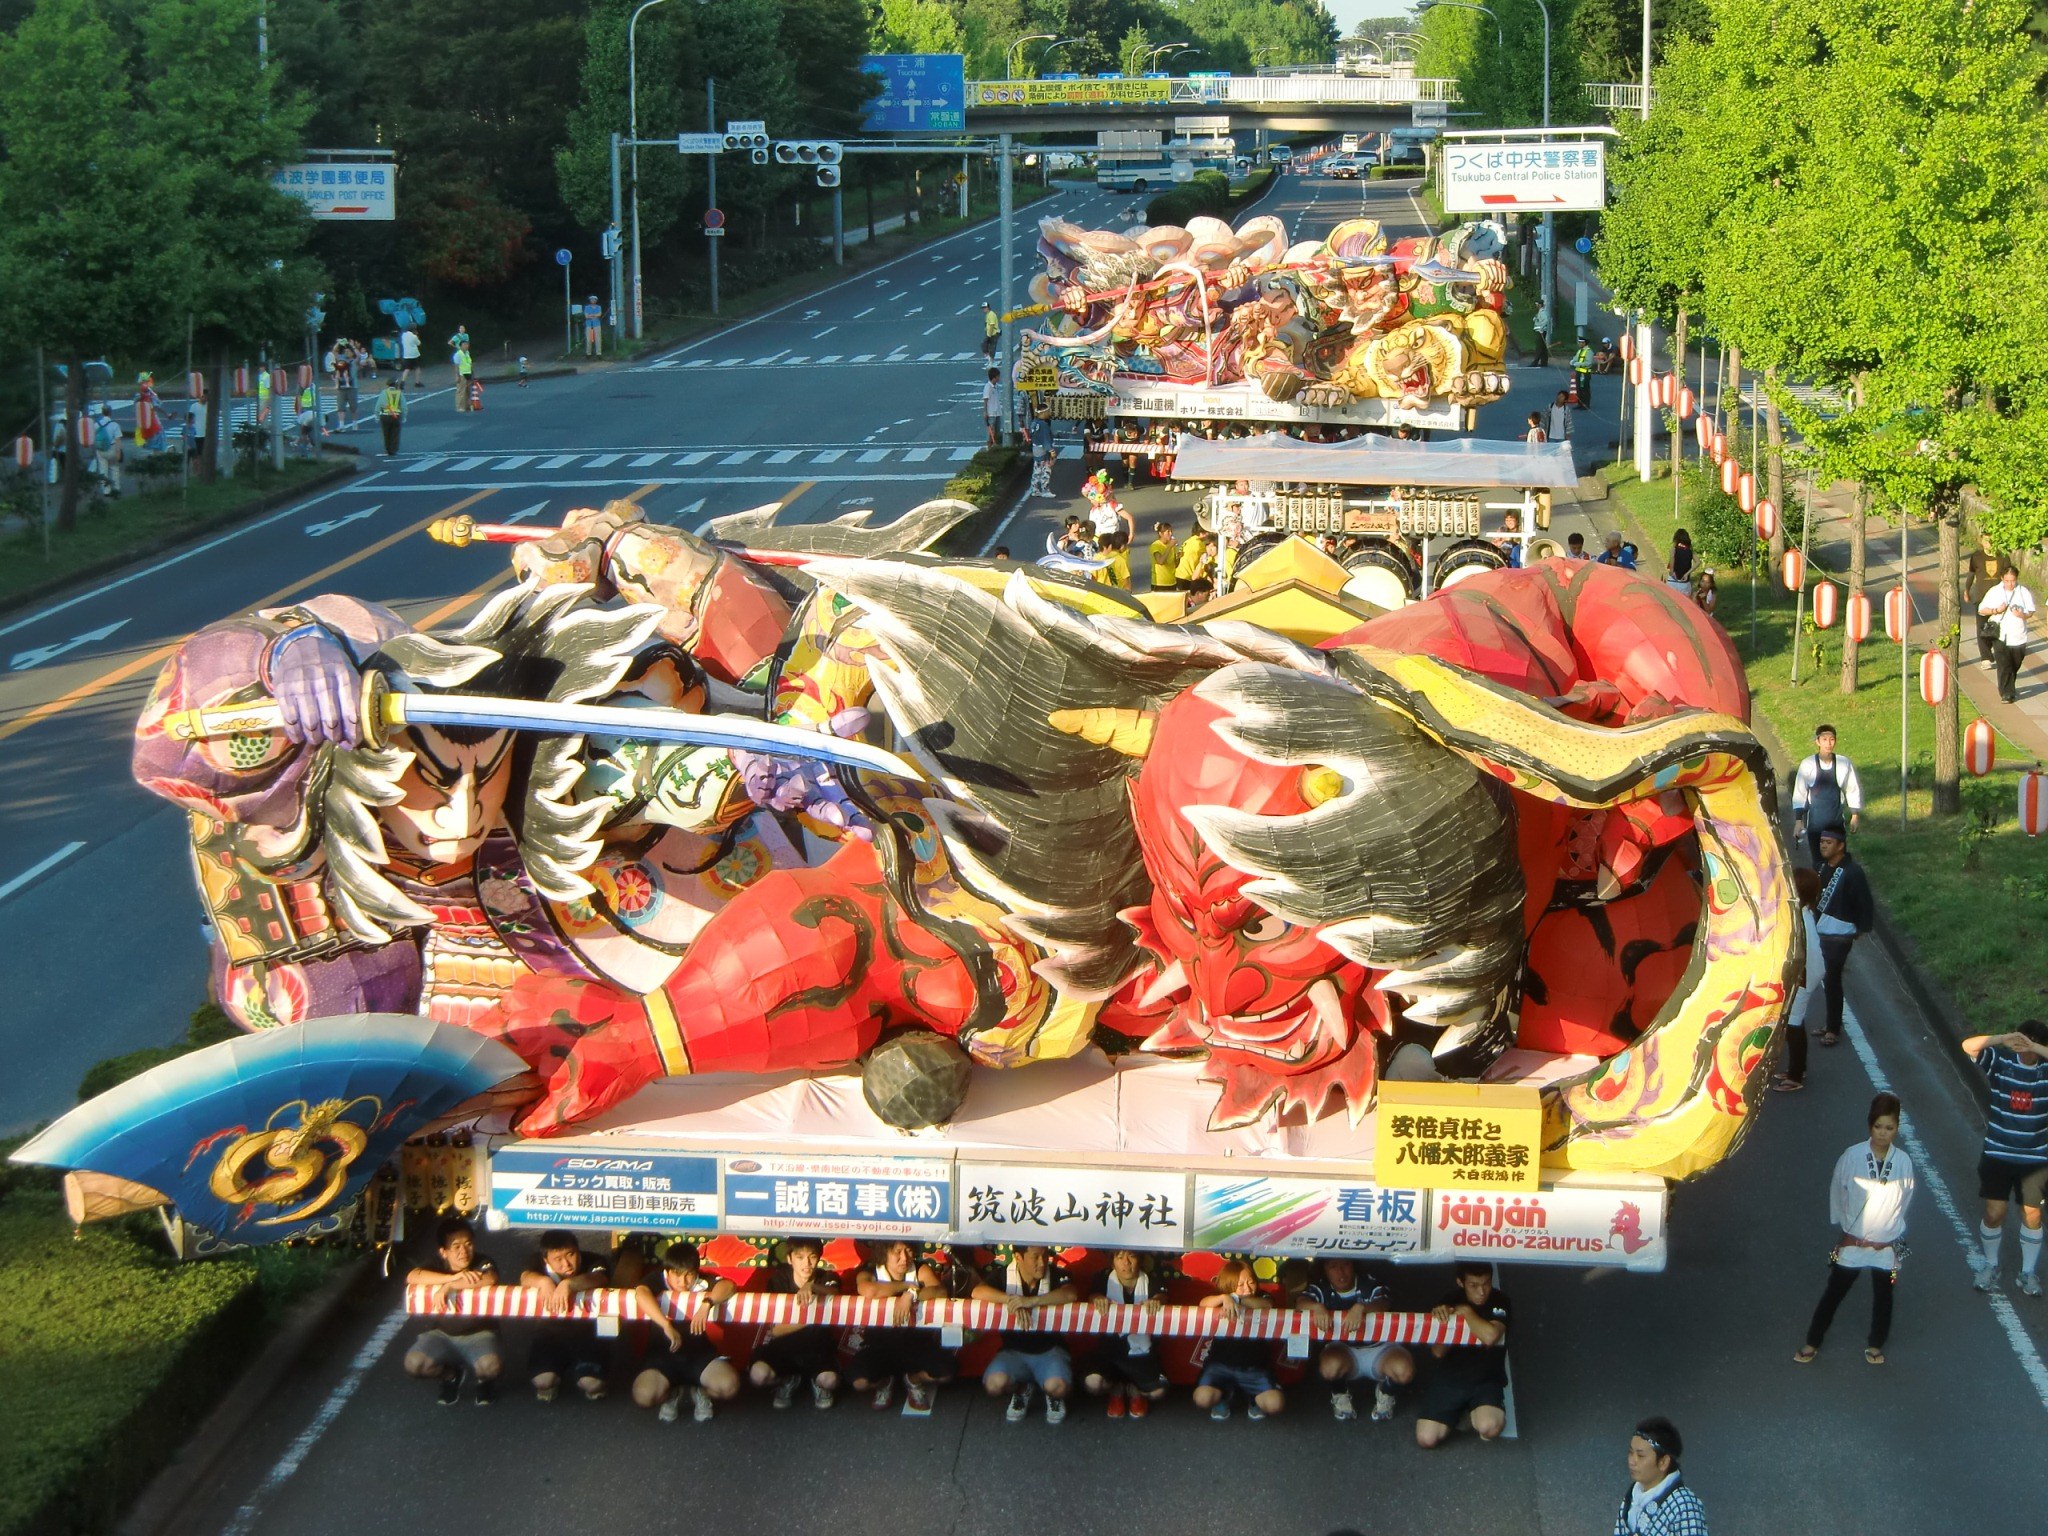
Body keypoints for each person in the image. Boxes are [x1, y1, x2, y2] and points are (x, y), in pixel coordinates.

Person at [1794, 1092, 1914, 1365]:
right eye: (1878, 1127)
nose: (1883, 1134)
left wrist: (1892, 1226)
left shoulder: (1904, 1161)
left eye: (1890, 1128)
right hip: (1854, 1240)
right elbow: (1838, 1189)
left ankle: (1876, 1343)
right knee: (1834, 1293)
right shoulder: (1853, 1155)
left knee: (1884, 1296)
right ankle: (1813, 1340)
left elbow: (1905, 1196)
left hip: (1886, 1242)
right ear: (1870, 1125)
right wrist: (1844, 1222)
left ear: (1897, 1127)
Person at [1963, 1021, 2048, 1295]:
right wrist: (2002, 1038)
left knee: (2033, 1215)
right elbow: (1968, 1046)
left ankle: (2028, 1273)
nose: (2027, 1047)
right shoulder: (2001, 1062)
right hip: (1998, 1154)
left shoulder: (2045, 1071)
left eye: (2034, 1042)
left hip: (2036, 1159)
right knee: (1994, 1212)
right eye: (2024, 1039)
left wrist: (2036, 1047)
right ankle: (1990, 1265)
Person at [630, 1240, 741, 1421]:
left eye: (689, 1275)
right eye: (677, 1275)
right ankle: (673, 1394)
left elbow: (729, 1285)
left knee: (729, 1387)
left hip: (699, 1355)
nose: (683, 1281)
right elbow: (641, 1293)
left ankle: (699, 1392)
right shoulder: (657, 1279)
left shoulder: (702, 1282)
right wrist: (666, 1325)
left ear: (696, 1272)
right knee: (643, 1397)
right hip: (662, 1355)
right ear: (667, 1271)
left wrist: (707, 1303)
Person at [973, 1244, 1079, 1424]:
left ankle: (1052, 1395)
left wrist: (1032, 1301)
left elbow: (1070, 1294)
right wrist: (1012, 1301)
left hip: (1050, 1350)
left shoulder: (1055, 1273)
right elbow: (977, 1291)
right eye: (1035, 1257)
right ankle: (1022, 1389)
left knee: (1058, 1387)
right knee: (993, 1385)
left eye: (1045, 1256)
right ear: (1018, 1257)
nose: (1042, 1262)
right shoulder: (1004, 1274)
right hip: (1013, 1350)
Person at [403, 1217, 503, 1405]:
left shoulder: (482, 1261)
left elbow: (489, 1278)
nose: (464, 1251)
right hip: (442, 1334)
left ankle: (484, 1381)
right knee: (414, 1364)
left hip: (480, 1333)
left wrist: (450, 1287)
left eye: (468, 1244)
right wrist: (451, 1278)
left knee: (491, 1367)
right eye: (456, 1246)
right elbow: (412, 1276)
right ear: (443, 1252)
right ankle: (451, 1376)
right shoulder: (437, 1264)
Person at [848, 1240, 956, 1413]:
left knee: (947, 1372)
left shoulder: (920, 1268)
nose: (904, 1258)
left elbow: (940, 1291)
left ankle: (913, 1379)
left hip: (916, 1345)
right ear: (884, 1253)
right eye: (897, 1252)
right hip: (879, 1346)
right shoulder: (870, 1270)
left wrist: (912, 1295)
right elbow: (869, 1290)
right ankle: (885, 1382)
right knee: (859, 1383)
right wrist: (906, 1286)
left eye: (908, 1251)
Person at [1415, 1262, 1509, 1448]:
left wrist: (1465, 1312)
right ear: (1460, 1282)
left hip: (1486, 1378)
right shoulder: (1447, 1300)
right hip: (1451, 1377)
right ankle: (1460, 1413)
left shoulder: (1500, 1300)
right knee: (1426, 1440)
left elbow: (1490, 1336)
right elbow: (1437, 1352)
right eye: (1474, 1285)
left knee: (1489, 1428)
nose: (1482, 1292)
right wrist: (1447, 1323)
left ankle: (1479, 1411)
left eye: (1486, 1284)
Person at [1295, 1257, 1399, 1421]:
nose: (1340, 1272)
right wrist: (1316, 1307)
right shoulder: (1321, 1287)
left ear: (1354, 1265)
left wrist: (1361, 1308)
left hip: (1378, 1347)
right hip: (1343, 1350)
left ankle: (1386, 1391)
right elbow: (1300, 1302)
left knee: (1404, 1371)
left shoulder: (1368, 1282)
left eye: (1346, 1264)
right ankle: (1339, 1391)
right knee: (1329, 1368)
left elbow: (1383, 1302)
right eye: (1333, 1266)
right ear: (1324, 1270)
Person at [748, 1236, 843, 1409]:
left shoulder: (826, 1277)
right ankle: (787, 1379)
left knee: (830, 1381)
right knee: (758, 1376)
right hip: (783, 1349)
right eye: (800, 1257)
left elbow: (834, 1292)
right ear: (790, 1259)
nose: (806, 1263)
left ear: (819, 1257)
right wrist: (812, 1319)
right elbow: (776, 1330)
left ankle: (818, 1383)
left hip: (818, 1350)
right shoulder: (778, 1280)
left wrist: (812, 1287)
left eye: (812, 1256)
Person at [520, 1230, 610, 1402]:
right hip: (549, 1333)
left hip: (588, 1335)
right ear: (546, 1260)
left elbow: (599, 1277)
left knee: (592, 1384)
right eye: (558, 1259)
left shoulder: (595, 1260)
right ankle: (554, 1377)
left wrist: (569, 1284)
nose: (566, 1264)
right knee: (543, 1382)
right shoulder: (535, 1261)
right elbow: (525, 1277)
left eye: (571, 1255)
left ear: (578, 1250)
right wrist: (543, 1281)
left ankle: (590, 1377)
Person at [1807, 824, 1873, 1049]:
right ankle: (1831, 1024)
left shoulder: (1852, 871)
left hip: (1840, 934)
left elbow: (1865, 902)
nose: (1823, 846)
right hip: (1822, 931)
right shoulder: (1822, 868)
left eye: (1828, 843)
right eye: (1822, 842)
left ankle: (1833, 1028)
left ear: (1841, 845)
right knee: (1828, 978)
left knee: (1832, 978)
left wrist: (1860, 928)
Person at [1081, 1249, 1169, 1418]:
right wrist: (1097, 1299)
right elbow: (1093, 1295)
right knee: (1092, 1383)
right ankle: (1116, 1389)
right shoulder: (1103, 1278)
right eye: (1119, 1257)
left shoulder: (1152, 1278)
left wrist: (1156, 1301)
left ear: (1141, 1260)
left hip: (1142, 1355)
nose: (1126, 1262)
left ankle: (1134, 1390)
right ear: (1112, 1261)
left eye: (1131, 1256)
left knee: (1159, 1392)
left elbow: (1161, 1295)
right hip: (1109, 1353)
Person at [1192, 1259, 1284, 1421]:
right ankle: (1224, 1397)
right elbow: (1202, 1304)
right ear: (1228, 1284)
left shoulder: (1261, 1296)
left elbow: (1266, 1305)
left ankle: (1253, 1399)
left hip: (1254, 1367)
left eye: (1251, 1282)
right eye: (1240, 1285)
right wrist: (1224, 1298)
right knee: (1201, 1398)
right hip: (1220, 1365)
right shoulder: (1222, 1298)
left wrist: (1237, 1299)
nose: (1247, 1288)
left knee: (1275, 1404)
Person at [1613, 1418, 1710, 1536]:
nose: (1632, 1461)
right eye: (1630, 1453)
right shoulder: (1631, 1498)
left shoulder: (1684, 1506)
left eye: (1640, 1455)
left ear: (1663, 1462)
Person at [1792, 725, 1863, 863]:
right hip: (1816, 825)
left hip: (1836, 824)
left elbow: (1852, 788)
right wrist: (1798, 821)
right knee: (1819, 864)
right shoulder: (1808, 764)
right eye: (1824, 739)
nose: (1828, 743)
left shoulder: (1843, 763)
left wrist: (1855, 815)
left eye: (1831, 739)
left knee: (1838, 862)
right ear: (1817, 742)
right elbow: (1800, 793)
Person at [1977, 567, 2036, 705]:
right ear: (2002, 578)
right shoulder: (1995, 592)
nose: (2010, 584)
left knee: (2015, 663)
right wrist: (1997, 610)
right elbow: (1982, 609)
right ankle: (2006, 693)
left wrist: (2022, 615)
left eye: (2013, 581)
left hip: (2018, 635)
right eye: (2007, 581)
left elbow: (2031, 610)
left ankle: (2009, 687)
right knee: (2004, 665)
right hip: (2000, 635)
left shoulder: (2023, 592)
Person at [1966, 535, 2009, 669]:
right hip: (1981, 598)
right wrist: (1966, 590)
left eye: (1991, 540)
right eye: (1985, 540)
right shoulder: (1976, 557)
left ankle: (1997, 651)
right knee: (1982, 628)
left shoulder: (2003, 556)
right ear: (1981, 541)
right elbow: (1971, 574)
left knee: (1998, 628)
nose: (1988, 543)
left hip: (1999, 599)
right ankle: (1985, 657)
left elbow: (2009, 576)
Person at [1025, 392, 1056, 496]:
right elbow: (1046, 440)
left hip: (1035, 449)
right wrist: (1052, 451)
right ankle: (1045, 490)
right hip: (1043, 449)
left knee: (1037, 470)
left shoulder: (1034, 422)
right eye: (1048, 411)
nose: (1049, 413)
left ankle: (1034, 490)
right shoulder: (1043, 425)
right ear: (1043, 413)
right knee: (1046, 470)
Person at [1148, 521, 1179, 593]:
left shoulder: (1172, 545)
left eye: (1171, 531)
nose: (1171, 534)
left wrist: (1179, 557)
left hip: (1172, 582)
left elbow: (1175, 565)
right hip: (1160, 583)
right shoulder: (1155, 545)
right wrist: (1169, 547)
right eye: (1168, 532)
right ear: (1161, 533)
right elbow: (1160, 561)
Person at [377, 379, 406, 456]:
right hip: (396, 416)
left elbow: (378, 405)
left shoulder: (384, 393)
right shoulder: (399, 393)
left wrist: (377, 416)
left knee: (386, 434)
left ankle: (387, 449)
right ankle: (393, 450)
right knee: (395, 434)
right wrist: (404, 417)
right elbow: (403, 407)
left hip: (385, 415)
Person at [1667, 529, 1695, 594]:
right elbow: (1698, 562)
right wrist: (1687, 573)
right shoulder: (1689, 550)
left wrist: (1672, 572)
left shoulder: (1674, 549)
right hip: (1684, 582)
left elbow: (1672, 559)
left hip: (1672, 581)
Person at [1571, 335, 1595, 410]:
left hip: (1585, 373)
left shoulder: (1589, 352)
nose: (1579, 344)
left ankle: (1586, 404)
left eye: (1581, 342)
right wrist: (1573, 361)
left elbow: (1589, 363)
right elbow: (1575, 358)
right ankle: (1580, 403)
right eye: (1579, 342)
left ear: (1584, 343)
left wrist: (1579, 364)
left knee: (1585, 389)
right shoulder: (1579, 351)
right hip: (1579, 373)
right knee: (1579, 389)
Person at [982, 367, 1002, 449]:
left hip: (997, 412)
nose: (999, 378)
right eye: (998, 376)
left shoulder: (996, 386)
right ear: (994, 377)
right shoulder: (988, 387)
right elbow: (985, 400)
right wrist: (985, 412)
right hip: (991, 413)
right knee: (991, 432)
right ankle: (989, 447)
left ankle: (994, 447)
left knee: (996, 432)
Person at [453, 342, 474, 411]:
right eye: (464, 345)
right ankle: (460, 407)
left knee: (468, 391)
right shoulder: (458, 354)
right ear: (460, 346)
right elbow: (456, 365)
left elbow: (470, 363)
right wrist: (457, 375)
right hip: (462, 374)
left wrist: (472, 373)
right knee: (461, 391)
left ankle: (467, 406)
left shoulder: (467, 353)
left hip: (468, 373)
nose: (466, 346)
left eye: (467, 344)